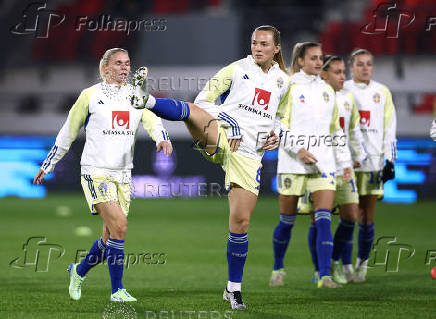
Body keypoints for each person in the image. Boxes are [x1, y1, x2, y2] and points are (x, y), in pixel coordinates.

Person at [129, 25, 289, 309]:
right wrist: (232, 120)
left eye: (264, 44)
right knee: (192, 110)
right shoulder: (237, 69)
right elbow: (204, 101)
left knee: (240, 223)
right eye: (254, 43)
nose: (257, 48)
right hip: (222, 135)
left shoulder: (284, 82)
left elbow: (282, 117)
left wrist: (278, 133)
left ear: (276, 48)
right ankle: (146, 100)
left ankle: (233, 289)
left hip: (249, 155)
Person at [33, 48, 173, 302]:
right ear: (105, 68)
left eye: (127, 63)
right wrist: (48, 164)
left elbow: (152, 119)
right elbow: (68, 132)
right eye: (118, 63)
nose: (124, 68)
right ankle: (117, 290)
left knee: (109, 237)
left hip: (123, 174)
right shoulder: (90, 95)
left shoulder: (135, 95)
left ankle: (79, 270)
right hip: (95, 172)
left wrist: (161, 138)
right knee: (120, 225)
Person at [269, 42, 352, 289]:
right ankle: (278, 268)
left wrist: (344, 161)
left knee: (324, 218)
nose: (319, 62)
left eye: (321, 58)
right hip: (293, 164)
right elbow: (276, 124)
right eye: (313, 58)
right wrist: (299, 150)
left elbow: (335, 129)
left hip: (324, 163)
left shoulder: (328, 90)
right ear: (301, 61)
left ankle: (323, 275)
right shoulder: (288, 87)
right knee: (287, 220)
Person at [296, 55, 367, 285]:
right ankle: (320, 270)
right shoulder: (310, 98)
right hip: (318, 167)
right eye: (337, 72)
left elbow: (353, 131)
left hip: (344, 168)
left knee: (351, 216)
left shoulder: (348, 99)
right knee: (318, 220)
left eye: (344, 72)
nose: (343, 77)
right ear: (323, 74)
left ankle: (333, 260)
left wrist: (358, 157)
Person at [344, 48, 397, 283]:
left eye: (369, 64)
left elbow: (389, 127)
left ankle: (361, 265)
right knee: (348, 216)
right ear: (351, 67)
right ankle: (344, 265)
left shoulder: (382, 92)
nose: (365, 68)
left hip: (373, 163)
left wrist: (390, 160)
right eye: (360, 64)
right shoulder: (343, 89)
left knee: (366, 216)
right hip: (347, 163)